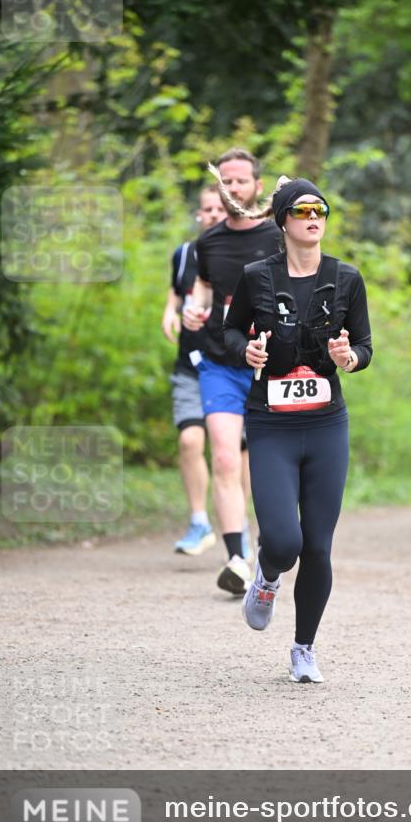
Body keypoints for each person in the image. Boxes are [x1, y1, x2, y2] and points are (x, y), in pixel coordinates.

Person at [223, 176, 372, 682]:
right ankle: (266, 576)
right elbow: (228, 328)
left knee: (319, 546)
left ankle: (303, 648)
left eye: (321, 210)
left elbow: (366, 349)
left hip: (327, 423)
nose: (314, 217)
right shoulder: (257, 276)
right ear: (283, 219)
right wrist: (245, 350)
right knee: (284, 541)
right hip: (272, 424)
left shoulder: (346, 278)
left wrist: (348, 357)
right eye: (303, 210)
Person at [184, 149, 282, 595]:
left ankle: (270, 544)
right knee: (224, 457)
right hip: (222, 364)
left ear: (258, 186)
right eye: (226, 181)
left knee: (267, 465)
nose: (233, 188)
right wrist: (194, 310)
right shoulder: (209, 243)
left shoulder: (280, 237)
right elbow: (205, 290)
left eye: (241, 180)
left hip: (272, 367)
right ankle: (237, 560)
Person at [162, 185, 225, 555]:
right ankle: (200, 521)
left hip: (235, 368)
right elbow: (176, 291)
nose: (214, 213)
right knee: (189, 440)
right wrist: (169, 312)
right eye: (207, 209)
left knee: (235, 453)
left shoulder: (243, 253)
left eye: (220, 208)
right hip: (190, 367)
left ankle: (240, 528)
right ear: (199, 215)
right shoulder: (184, 254)